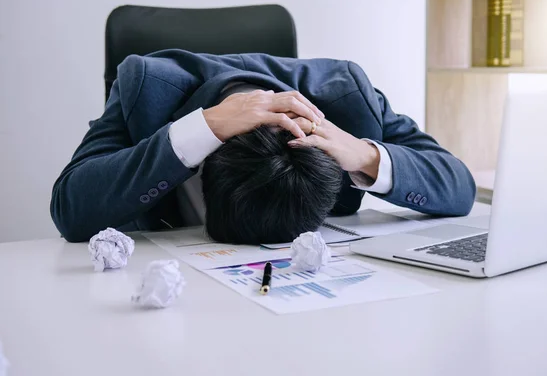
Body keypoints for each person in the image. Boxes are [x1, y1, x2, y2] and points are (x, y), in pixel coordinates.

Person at [50, 49, 476, 243]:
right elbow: (72, 211)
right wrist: (202, 129)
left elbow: (460, 187)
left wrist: (364, 155)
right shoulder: (145, 87)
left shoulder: (349, 94)